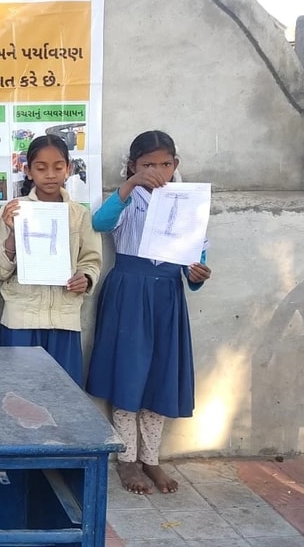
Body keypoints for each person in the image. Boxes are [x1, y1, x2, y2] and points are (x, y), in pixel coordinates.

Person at [85, 130, 211, 495]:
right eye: (147, 165)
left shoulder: (189, 203)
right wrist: (130, 185)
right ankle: (126, 460)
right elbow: (100, 223)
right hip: (129, 291)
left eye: (164, 164)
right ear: (132, 165)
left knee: (158, 376)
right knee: (128, 374)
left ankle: (152, 459)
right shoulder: (130, 200)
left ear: (176, 164)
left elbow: (196, 259)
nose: (157, 170)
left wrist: (197, 275)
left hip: (167, 296)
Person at [0, 134, 101, 386]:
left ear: (68, 169)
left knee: (65, 398)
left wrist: (86, 278)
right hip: (21, 321)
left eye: (58, 167)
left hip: (64, 322)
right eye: (41, 167)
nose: (50, 174)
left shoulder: (79, 216)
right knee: (19, 398)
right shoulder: (12, 212)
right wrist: (14, 236)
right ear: (28, 171)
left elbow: (91, 260)